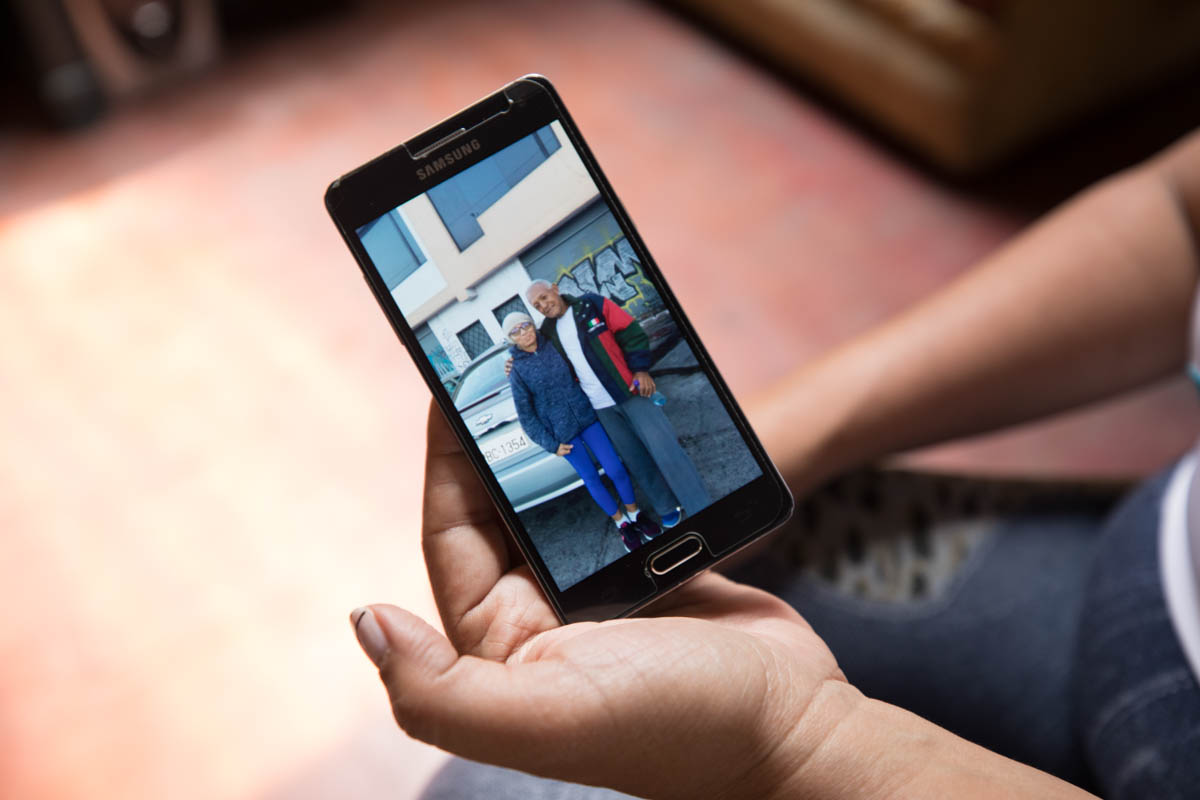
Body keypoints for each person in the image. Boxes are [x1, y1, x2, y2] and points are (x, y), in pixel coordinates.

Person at [350, 127, 1200, 800]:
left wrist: (797, 747)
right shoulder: (524, 359)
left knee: (498, 791)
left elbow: (622, 334)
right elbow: (1180, 213)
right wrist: (783, 441)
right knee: (666, 554)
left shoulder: (581, 308)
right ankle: (653, 518)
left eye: (538, 305)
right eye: (529, 309)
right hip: (1152, 539)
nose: (536, 313)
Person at [524, 279, 711, 528]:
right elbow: (530, 351)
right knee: (636, 459)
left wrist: (640, 369)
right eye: (537, 305)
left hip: (630, 391)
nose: (543, 306)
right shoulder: (547, 331)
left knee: (666, 451)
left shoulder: (591, 304)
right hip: (600, 409)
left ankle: (700, 506)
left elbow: (630, 331)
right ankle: (666, 506)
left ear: (555, 289)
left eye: (544, 298)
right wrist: (511, 364)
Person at [503, 311, 659, 552]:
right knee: (591, 478)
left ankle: (635, 513)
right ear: (511, 339)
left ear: (533, 326)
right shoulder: (517, 371)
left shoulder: (553, 344)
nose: (524, 333)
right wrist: (550, 444)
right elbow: (526, 415)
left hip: (587, 416)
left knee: (615, 468)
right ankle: (621, 524)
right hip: (563, 434)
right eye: (516, 331)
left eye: (526, 325)